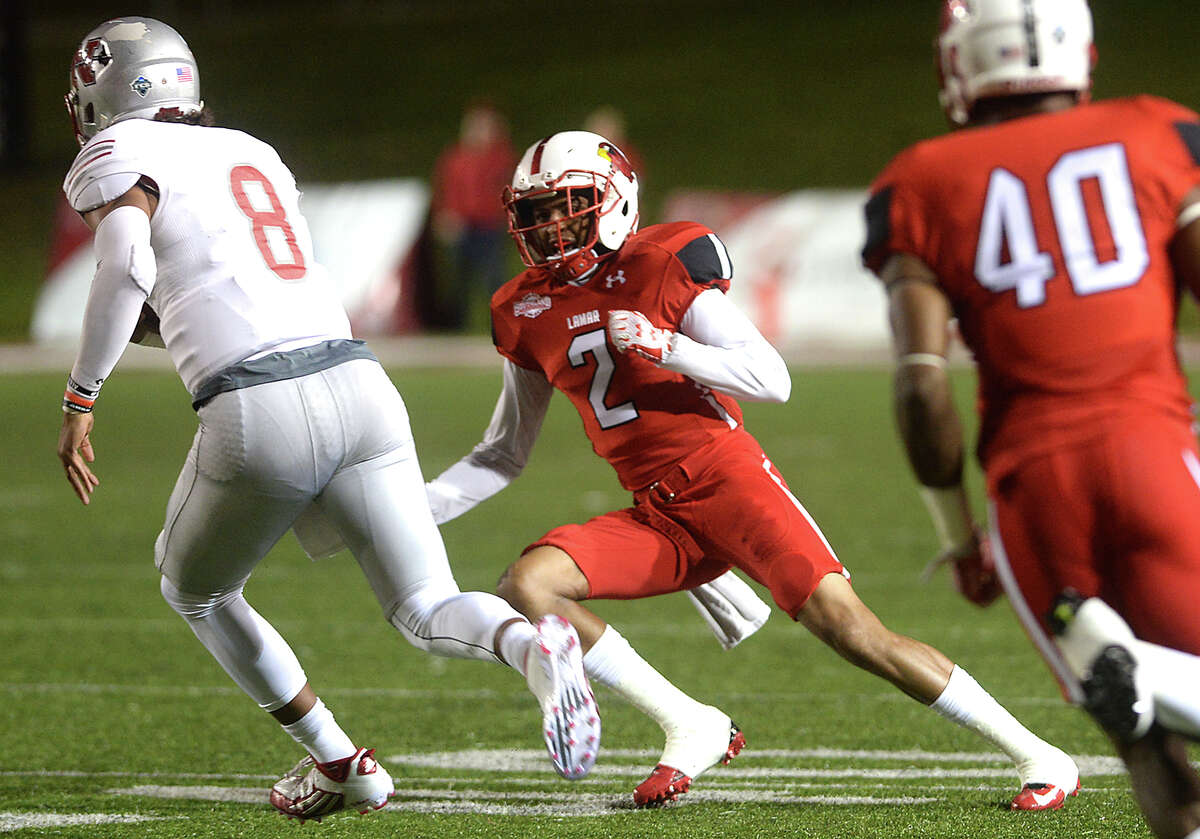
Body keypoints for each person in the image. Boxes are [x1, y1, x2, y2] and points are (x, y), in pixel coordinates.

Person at [425, 128, 1080, 809]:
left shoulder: (664, 264)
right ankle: (690, 722)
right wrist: (414, 507)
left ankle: (1039, 753)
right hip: (655, 509)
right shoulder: (523, 309)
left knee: (852, 630)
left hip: (725, 477)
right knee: (529, 585)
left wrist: (666, 345)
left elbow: (773, 377)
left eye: (567, 204)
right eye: (535, 212)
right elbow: (502, 452)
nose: (550, 225)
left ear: (614, 200)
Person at [54, 17, 599, 823]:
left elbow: (130, 259)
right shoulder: (250, 150)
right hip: (360, 383)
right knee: (427, 602)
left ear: (108, 90)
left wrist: (79, 397)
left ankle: (340, 760)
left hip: (257, 405)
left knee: (195, 588)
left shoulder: (114, 155)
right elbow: (214, 276)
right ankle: (531, 646)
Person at [863, 1, 1200, 836]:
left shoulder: (920, 178)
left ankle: (1133, 671)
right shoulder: (1158, 131)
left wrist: (958, 530)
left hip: (1032, 487)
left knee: (1147, 749)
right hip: (1154, 449)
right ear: (1077, 49)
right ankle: (1146, 671)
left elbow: (919, 386)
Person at [430, 101, 517, 330]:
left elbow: (507, 187)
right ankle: (455, 328)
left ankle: (502, 325)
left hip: (489, 224)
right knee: (459, 282)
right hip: (462, 225)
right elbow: (445, 189)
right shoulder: (455, 157)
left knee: (494, 278)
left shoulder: (499, 157)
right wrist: (445, 216)